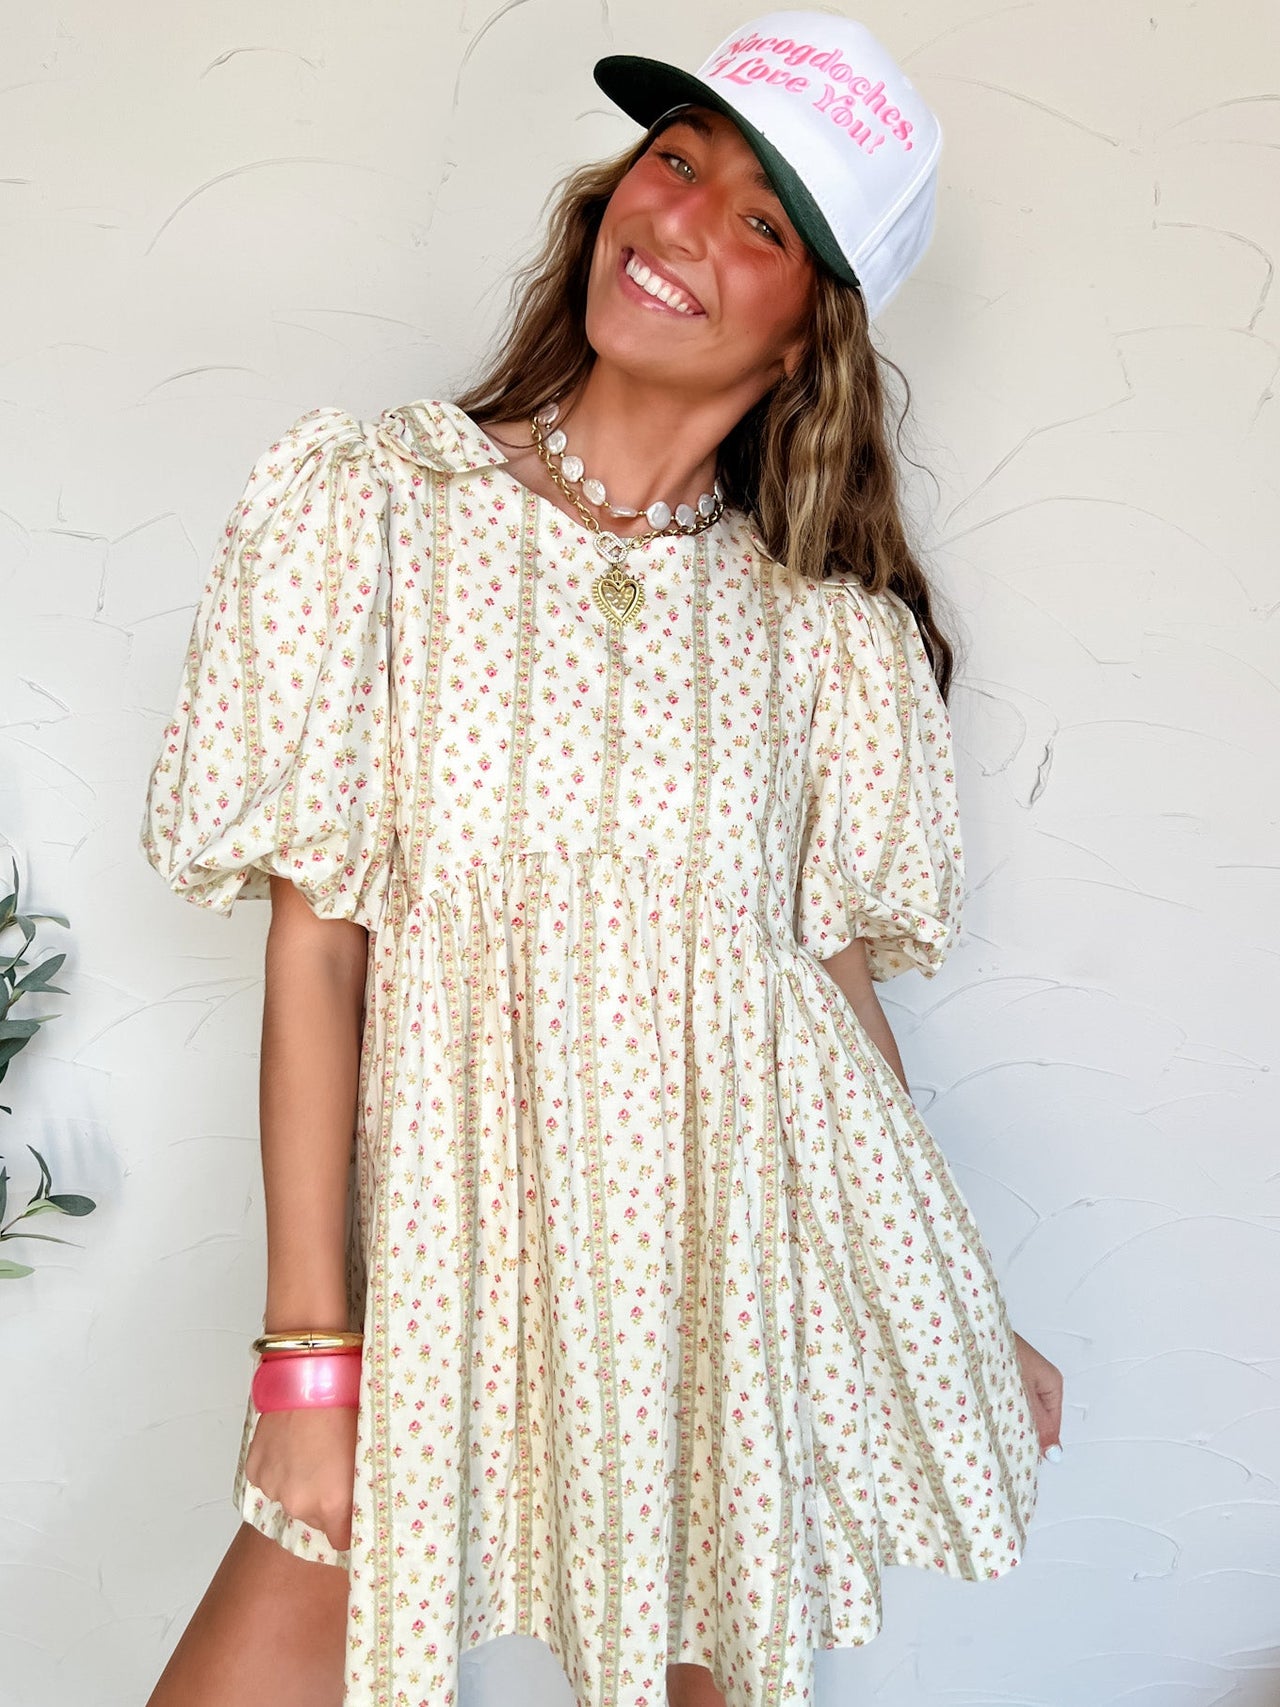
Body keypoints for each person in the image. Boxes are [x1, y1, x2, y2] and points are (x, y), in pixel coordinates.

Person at [138, 10, 1064, 1707]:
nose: (683, 222)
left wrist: (947, 1304)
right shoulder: (380, 512)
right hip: (441, 1258)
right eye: (677, 158)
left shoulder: (821, 645)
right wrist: (308, 1355)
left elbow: (828, 1001)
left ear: (808, 344)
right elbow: (319, 950)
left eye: (762, 223)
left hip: (716, 1278)